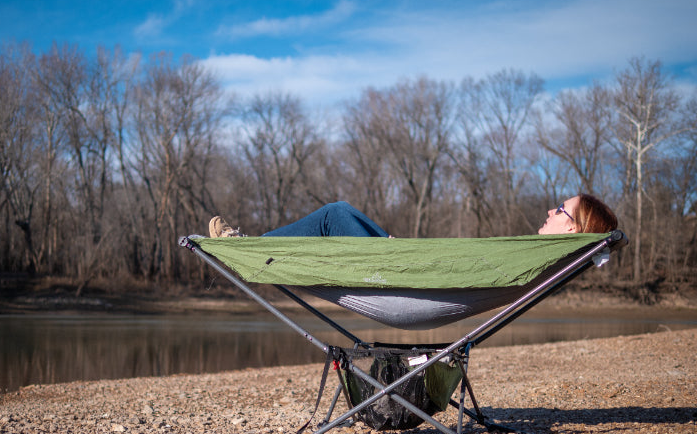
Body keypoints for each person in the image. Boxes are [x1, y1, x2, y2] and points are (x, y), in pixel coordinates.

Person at [209, 194, 617, 238]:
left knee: (334, 213)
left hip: (410, 278)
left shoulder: (532, 253)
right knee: (345, 208)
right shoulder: (534, 254)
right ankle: (253, 245)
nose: (550, 210)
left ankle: (250, 248)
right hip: (413, 265)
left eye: (561, 209)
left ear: (574, 227)